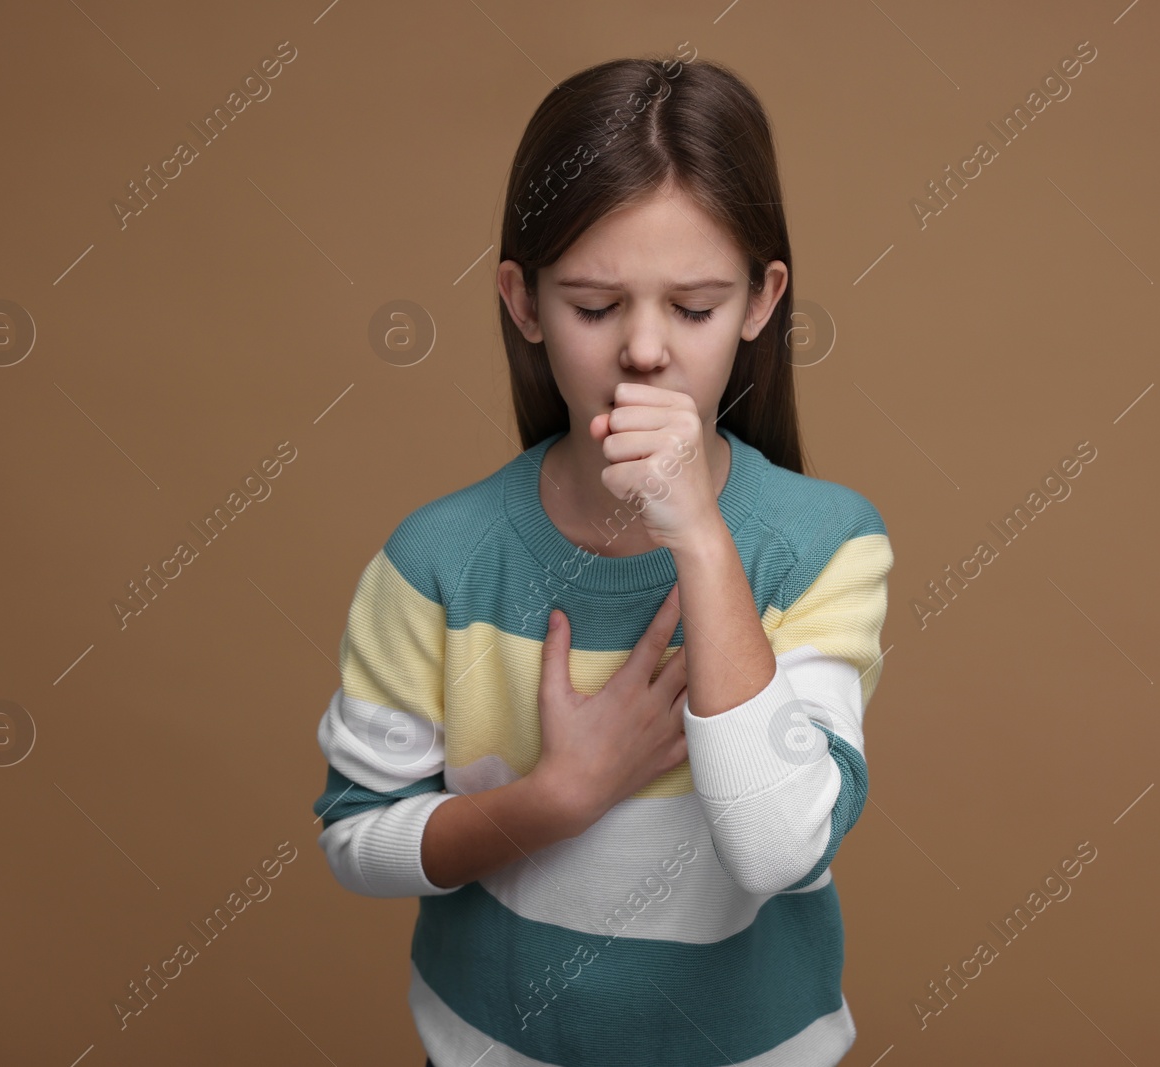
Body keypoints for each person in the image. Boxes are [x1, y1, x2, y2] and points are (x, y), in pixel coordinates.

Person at [311, 50, 893, 1067]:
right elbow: (357, 840)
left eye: (694, 307)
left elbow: (779, 847)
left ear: (760, 302)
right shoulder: (437, 559)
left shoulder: (822, 544)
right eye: (593, 306)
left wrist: (700, 539)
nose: (643, 350)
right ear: (524, 303)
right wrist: (555, 800)